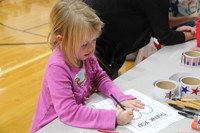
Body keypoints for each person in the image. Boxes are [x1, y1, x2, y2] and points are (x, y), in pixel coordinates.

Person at [30, 0, 145, 133]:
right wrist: (113, 117)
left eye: (94, 40)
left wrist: (119, 97)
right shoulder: (57, 68)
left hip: (73, 122)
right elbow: (69, 112)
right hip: (51, 126)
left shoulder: (86, 55)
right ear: (62, 40)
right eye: (84, 44)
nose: (91, 49)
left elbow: (100, 78)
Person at [84, 0, 196, 79]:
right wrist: (195, 34)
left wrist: (191, 19)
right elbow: (165, 37)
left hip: (97, 35)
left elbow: (156, 19)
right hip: (94, 44)